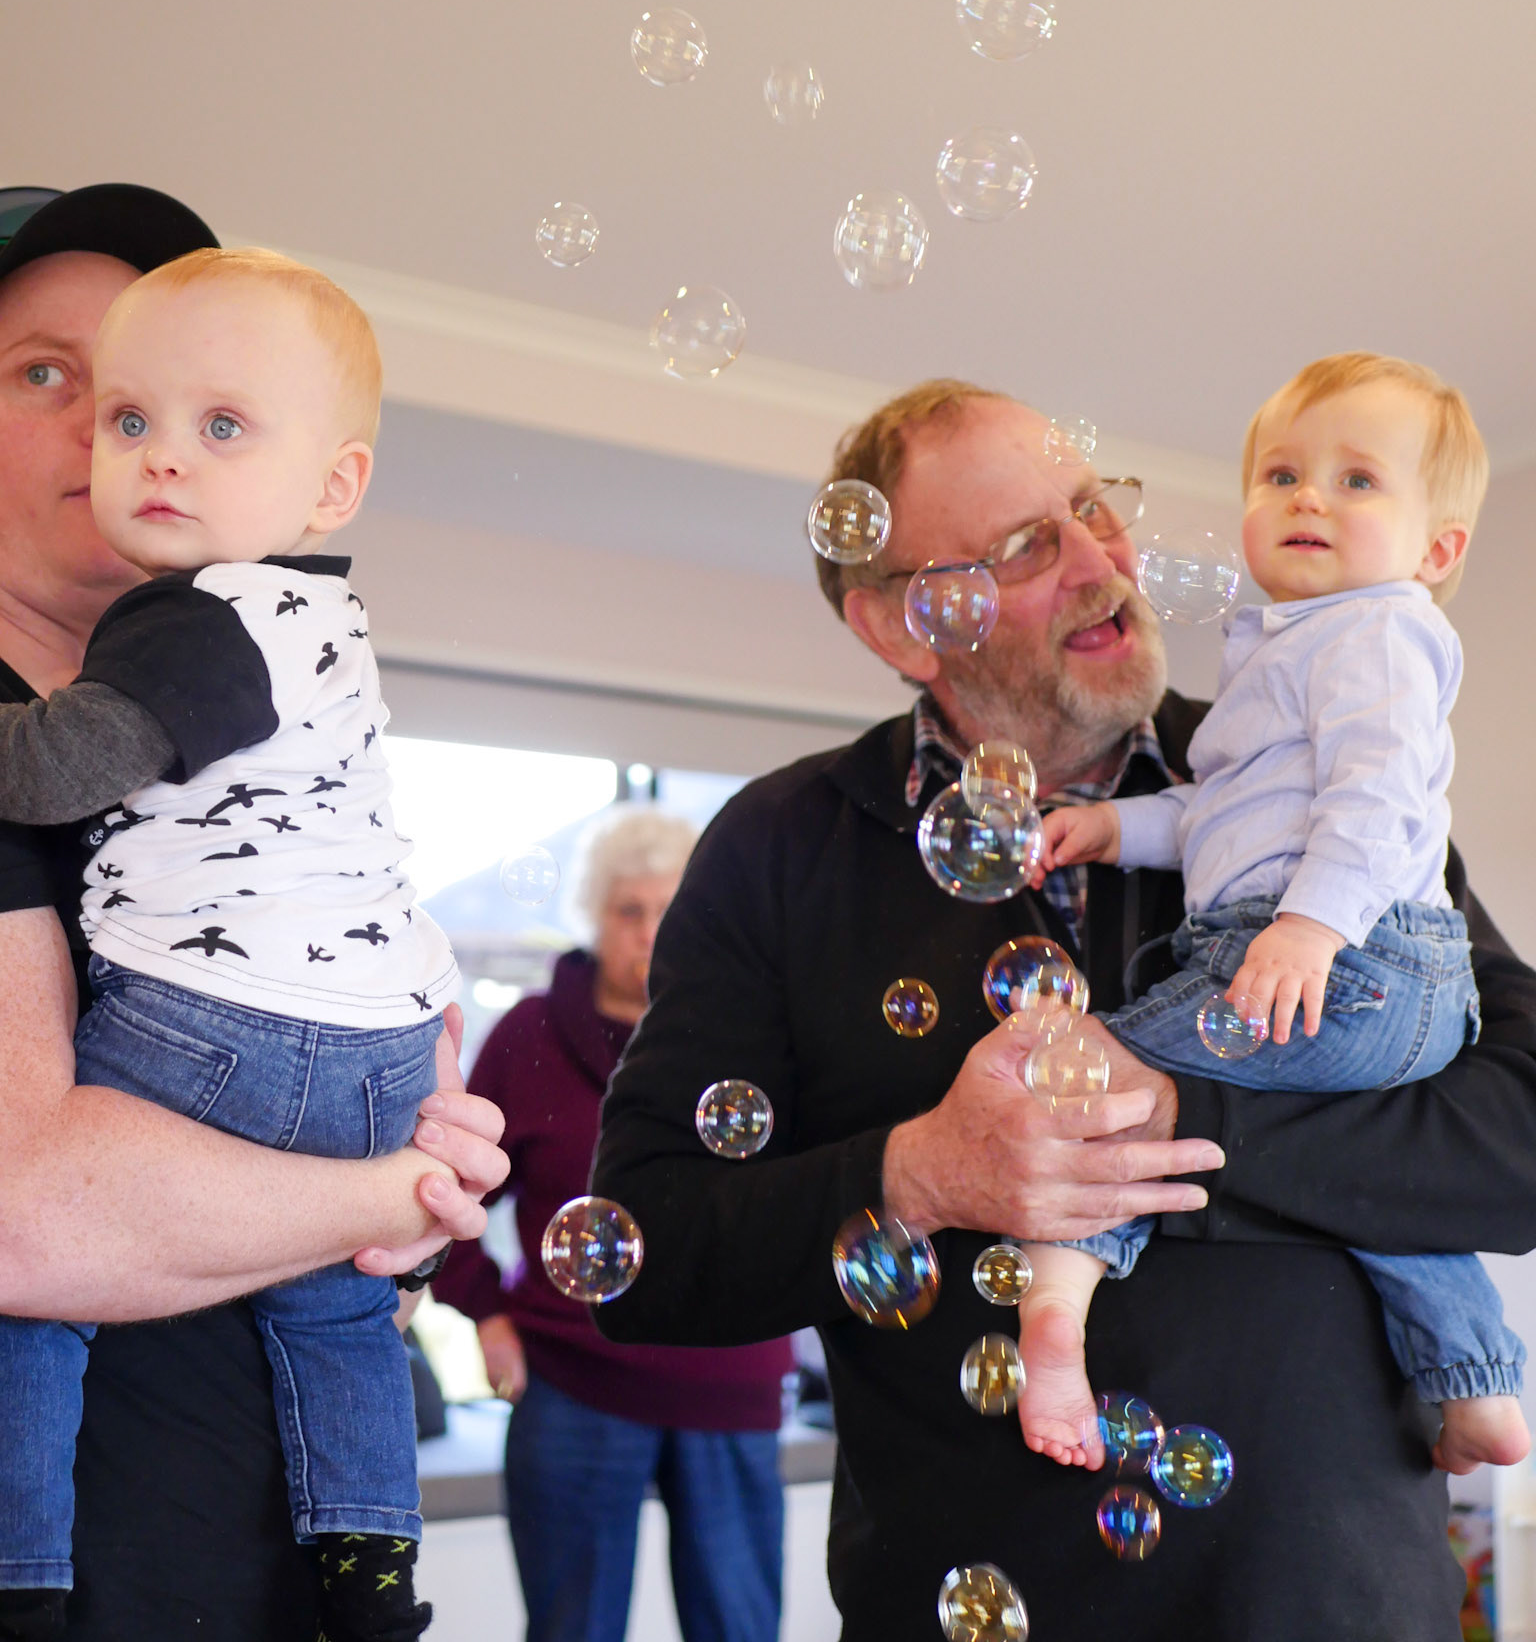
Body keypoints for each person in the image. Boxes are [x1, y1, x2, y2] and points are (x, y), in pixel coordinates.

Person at [591, 378, 1536, 1642]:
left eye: (1094, 507)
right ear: (903, 622)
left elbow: (1519, 1133)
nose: (1101, 561)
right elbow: (646, 1245)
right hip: (968, 1605)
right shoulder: (780, 846)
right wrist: (921, 1175)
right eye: (1029, 544)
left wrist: (1184, 1116)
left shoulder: (1314, 784)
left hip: (1332, 1602)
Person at [0, 184, 507, 1642]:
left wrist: (429, 1172)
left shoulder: (262, 722)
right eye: (56, 377)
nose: (138, 436)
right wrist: (390, 1194)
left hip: (256, 1575)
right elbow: (30, 1219)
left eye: (214, 413)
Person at [1019, 352, 1528, 1474]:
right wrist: (1115, 828)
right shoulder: (1297, 650)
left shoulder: (1376, 632)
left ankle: (1054, 1311)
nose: (1310, 499)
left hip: (1352, 958)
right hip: (1367, 975)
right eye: (1283, 474)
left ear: (1437, 552)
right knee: (1349, 1173)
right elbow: (1219, 815)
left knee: (1084, 1077)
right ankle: (1477, 1378)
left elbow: (1379, 799)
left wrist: (1312, 927)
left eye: (1358, 480)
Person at [433, 805, 794, 1642]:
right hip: (573, 1379)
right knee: (571, 1630)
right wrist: (485, 1312)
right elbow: (449, 1197)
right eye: (631, 909)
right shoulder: (530, 1033)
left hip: (732, 1377)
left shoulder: (755, 1031)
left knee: (740, 1628)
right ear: (595, 917)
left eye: (672, 908)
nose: (651, 930)